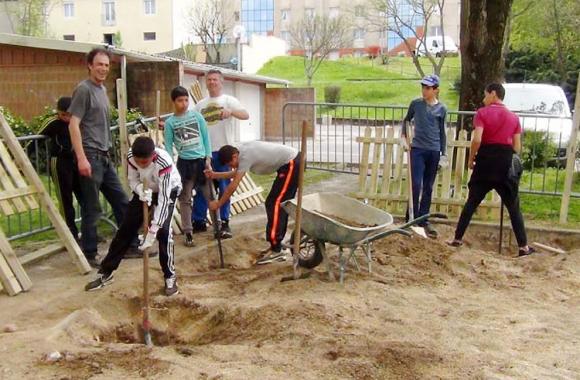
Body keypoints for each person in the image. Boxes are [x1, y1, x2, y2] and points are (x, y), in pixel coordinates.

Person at [85, 136, 182, 295]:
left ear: (152, 156)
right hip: (144, 190)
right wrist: (140, 191)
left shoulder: (163, 163)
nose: (141, 165)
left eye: (145, 162)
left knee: (164, 233)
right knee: (125, 228)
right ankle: (106, 272)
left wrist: (152, 230)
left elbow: (164, 200)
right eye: (139, 162)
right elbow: (132, 179)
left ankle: (170, 277)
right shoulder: (131, 156)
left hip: (168, 191)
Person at [68, 48, 138, 267]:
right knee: (92, 208)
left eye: (106, 65)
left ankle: (129, 245)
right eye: (99, 64)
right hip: (90, 155)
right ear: (90, 65)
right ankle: (89, 253)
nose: (103, 69)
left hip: (104, 157)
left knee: (122, 201)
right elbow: (73, 124)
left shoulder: (101, 90)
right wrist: (81, 158)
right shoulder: (84, 90)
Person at [447, 83, 534, 257]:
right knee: (513, 206)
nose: (483, 98)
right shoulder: (514, 118)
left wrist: (471, 158)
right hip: (504, 163)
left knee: (471, 202)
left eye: (485, 95)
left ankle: (457, 238)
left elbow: (477, 139)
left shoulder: (482, 113)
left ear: (493, 94)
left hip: (485, 161)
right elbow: (517, 146)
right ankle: (523, 246)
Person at [206, 141, 300, 265]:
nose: (233, 167)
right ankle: (276, 245)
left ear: (234, 156)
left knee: (276, 204)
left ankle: (277, 249)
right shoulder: (238, 151)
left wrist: (218, 204)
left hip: (292, 163)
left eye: (232, 164)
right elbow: (237, 172)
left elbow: (233, 185)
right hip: (289, 163)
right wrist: (215, 175)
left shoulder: (245, 156)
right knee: (274, 203)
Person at [192, 69, 249, 238]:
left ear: (221, 82)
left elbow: (245, 115)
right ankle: (199, 221)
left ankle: (224, 223)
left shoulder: (229, 100)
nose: (212, 82)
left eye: (215, 79)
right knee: (202, 187)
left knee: (224, 188)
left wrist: (231, 112)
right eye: (209, 80)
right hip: (206, 152)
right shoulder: (200, 105)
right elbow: (190, 121)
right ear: (206, 82)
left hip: (224, 153)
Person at [164, 85, 217, 247]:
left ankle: (218, 225)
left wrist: (208, 157)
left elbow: (206, 137)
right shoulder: (170, 123)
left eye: (186, 100)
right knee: (185, 198)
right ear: (174, 102)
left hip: (201, 161)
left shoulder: (197, 117)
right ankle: (188, 232)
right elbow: (167, 145)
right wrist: (170, 164)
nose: (184, 103)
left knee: (211, 195)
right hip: (184, 163)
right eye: (180, 100)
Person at [400, 74, 448, 238]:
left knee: (428, 186)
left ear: (436, 90)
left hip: (433, 151)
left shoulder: (441, 109)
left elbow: (442, 132)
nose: (424, 91)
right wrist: (403, 138)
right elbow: (406, 121)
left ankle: (423, 218)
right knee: (416, 184)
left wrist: (444, 154)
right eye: (423, 87)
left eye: (428, 88)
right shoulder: (416, 104)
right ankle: (410, 217)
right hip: (418, 149)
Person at [38, 96, 83, 239]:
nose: (67, 118)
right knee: (65, 199)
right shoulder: (53, 123)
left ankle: (88, 232)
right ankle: (70, 234)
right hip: (60, 162)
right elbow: (36, 139)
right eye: (63, 115)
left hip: (75, 161)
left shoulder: (77, 120)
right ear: (58, 112)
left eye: (70, 115)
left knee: (84, 196)